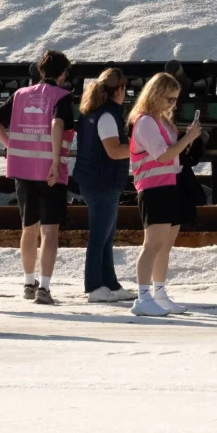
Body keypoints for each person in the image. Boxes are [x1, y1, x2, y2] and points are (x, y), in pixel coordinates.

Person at [0, 49, 75, 305]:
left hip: (23, 169)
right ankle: (44, 288)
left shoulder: (20, 94)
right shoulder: (63, 96)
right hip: (50, 171)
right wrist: (56, 161)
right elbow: (58, 125)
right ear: (62, 74)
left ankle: (28, 282)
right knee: (49, 231)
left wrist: (11, 145)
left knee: (28, 228)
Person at [128, 72, 204, 318]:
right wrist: (188, 138)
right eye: (169, 99)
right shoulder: (146, 121)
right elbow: (162, 155)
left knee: (164, 245)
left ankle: (159, 293)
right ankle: (143, 297)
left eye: (175, 100)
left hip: (168, 184)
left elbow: (171, 153)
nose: (173, 104)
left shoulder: (160, 120)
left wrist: (186, 141)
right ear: (156, 95)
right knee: (152, 245)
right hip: (154, 187)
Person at [74, 68, 133, 303]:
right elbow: (114, 150)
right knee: (100, 236)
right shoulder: (108, 116)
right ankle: (94, 285)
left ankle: (109, 282)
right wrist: (142, 148)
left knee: (107, 236)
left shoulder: (94, 112)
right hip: (102, 181)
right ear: (119, 90)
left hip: (97, 179)